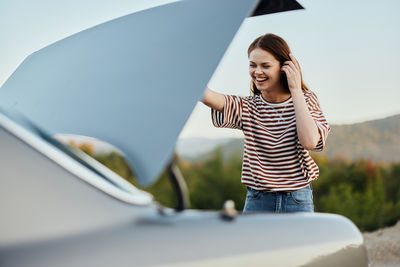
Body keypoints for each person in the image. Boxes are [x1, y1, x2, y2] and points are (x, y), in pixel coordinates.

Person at [202, 33, 330, 213]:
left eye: (265, 65)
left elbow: (309, 142)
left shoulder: (307, 100)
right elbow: (207, 96)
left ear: (285, 68)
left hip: (297, 199)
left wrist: (295, 89)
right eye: (252, 65)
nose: (257, 71)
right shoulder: (248, 107)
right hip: (258, 200)